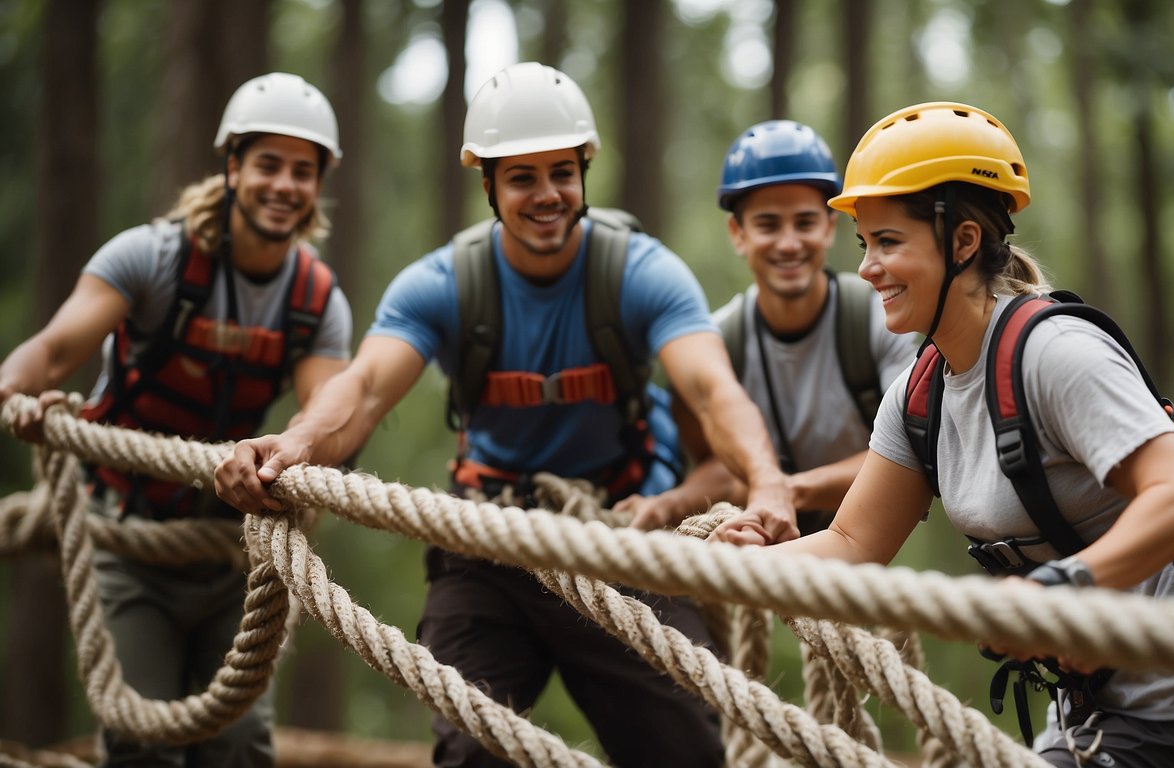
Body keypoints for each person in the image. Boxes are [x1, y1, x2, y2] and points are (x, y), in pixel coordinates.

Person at [213, 61, 797, 767]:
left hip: (625, 537)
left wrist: (767, 484)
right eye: (522, 178)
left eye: (562, 172)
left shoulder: (641, 272)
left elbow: (712, 391)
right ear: (487, 185)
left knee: (686, 754)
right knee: (473, 754)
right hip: (485, 549)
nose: (547, 194)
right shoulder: (444, 284)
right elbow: (364, 388)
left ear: (584, 172)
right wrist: (294, 443)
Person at [712, 101, 1174, 766]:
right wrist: (722, 568)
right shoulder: (920, 393)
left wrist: (1054, 592)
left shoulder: (1058, 355)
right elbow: (851, 541)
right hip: (1090, 707)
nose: (866, 268)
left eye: (889, 242)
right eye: (865, 245)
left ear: (963, 241)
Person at [0, 72, 353, 767]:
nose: (284, 185)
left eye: (302, 171)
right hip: (129, 541)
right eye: (268, 165)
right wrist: (14, 392)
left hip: (231, 547)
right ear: (232, 167)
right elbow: (53, 350)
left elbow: (328, 416)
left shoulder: (316, 299)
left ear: (318, 186)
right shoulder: (151, 258)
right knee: (142, 741)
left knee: (243, 746)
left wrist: (287, 455)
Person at [615, 119, 917, 536]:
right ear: (738, 234)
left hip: (862, 549)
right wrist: (671, 503)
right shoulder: (715, 341)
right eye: (768, 225)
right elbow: (720, 466)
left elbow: (910, 454)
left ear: (830, 227)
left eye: (806, 222)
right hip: (758, 550)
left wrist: (783, 490)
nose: (789, 243)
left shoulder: (881, 322)